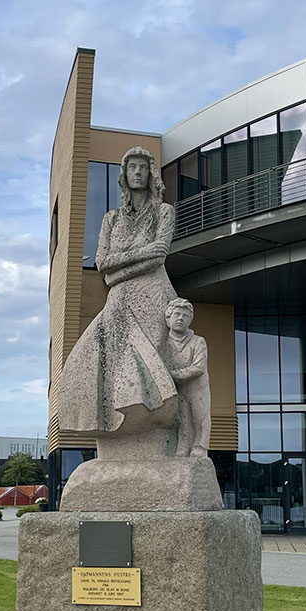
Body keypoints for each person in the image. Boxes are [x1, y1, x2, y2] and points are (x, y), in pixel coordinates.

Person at [58, 147, 178, 436]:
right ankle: (116, 422)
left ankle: (153, 423)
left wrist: (117, 274)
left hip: (152, 294)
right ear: (123, 175)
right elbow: (102, 262)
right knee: (99, 357)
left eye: (143, 167)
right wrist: (141, 255)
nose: (137, 173)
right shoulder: (111, 219)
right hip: (118, 300)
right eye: (132, 167)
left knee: (147, 362)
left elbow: (159, 256)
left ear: (151, 174)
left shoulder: (164, 211)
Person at [165, 298, 211, 458]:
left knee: (199, 416)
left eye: (185, 316)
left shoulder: (198, 341)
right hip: (175, 387)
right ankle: (182, 448)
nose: (180, 318)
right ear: (168, 318)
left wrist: (173, 374)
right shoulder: (164, 342)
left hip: (196, 387)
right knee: (182, 418)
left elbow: (198, 368)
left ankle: (200, 447)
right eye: (176, 314)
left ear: (190, 320)